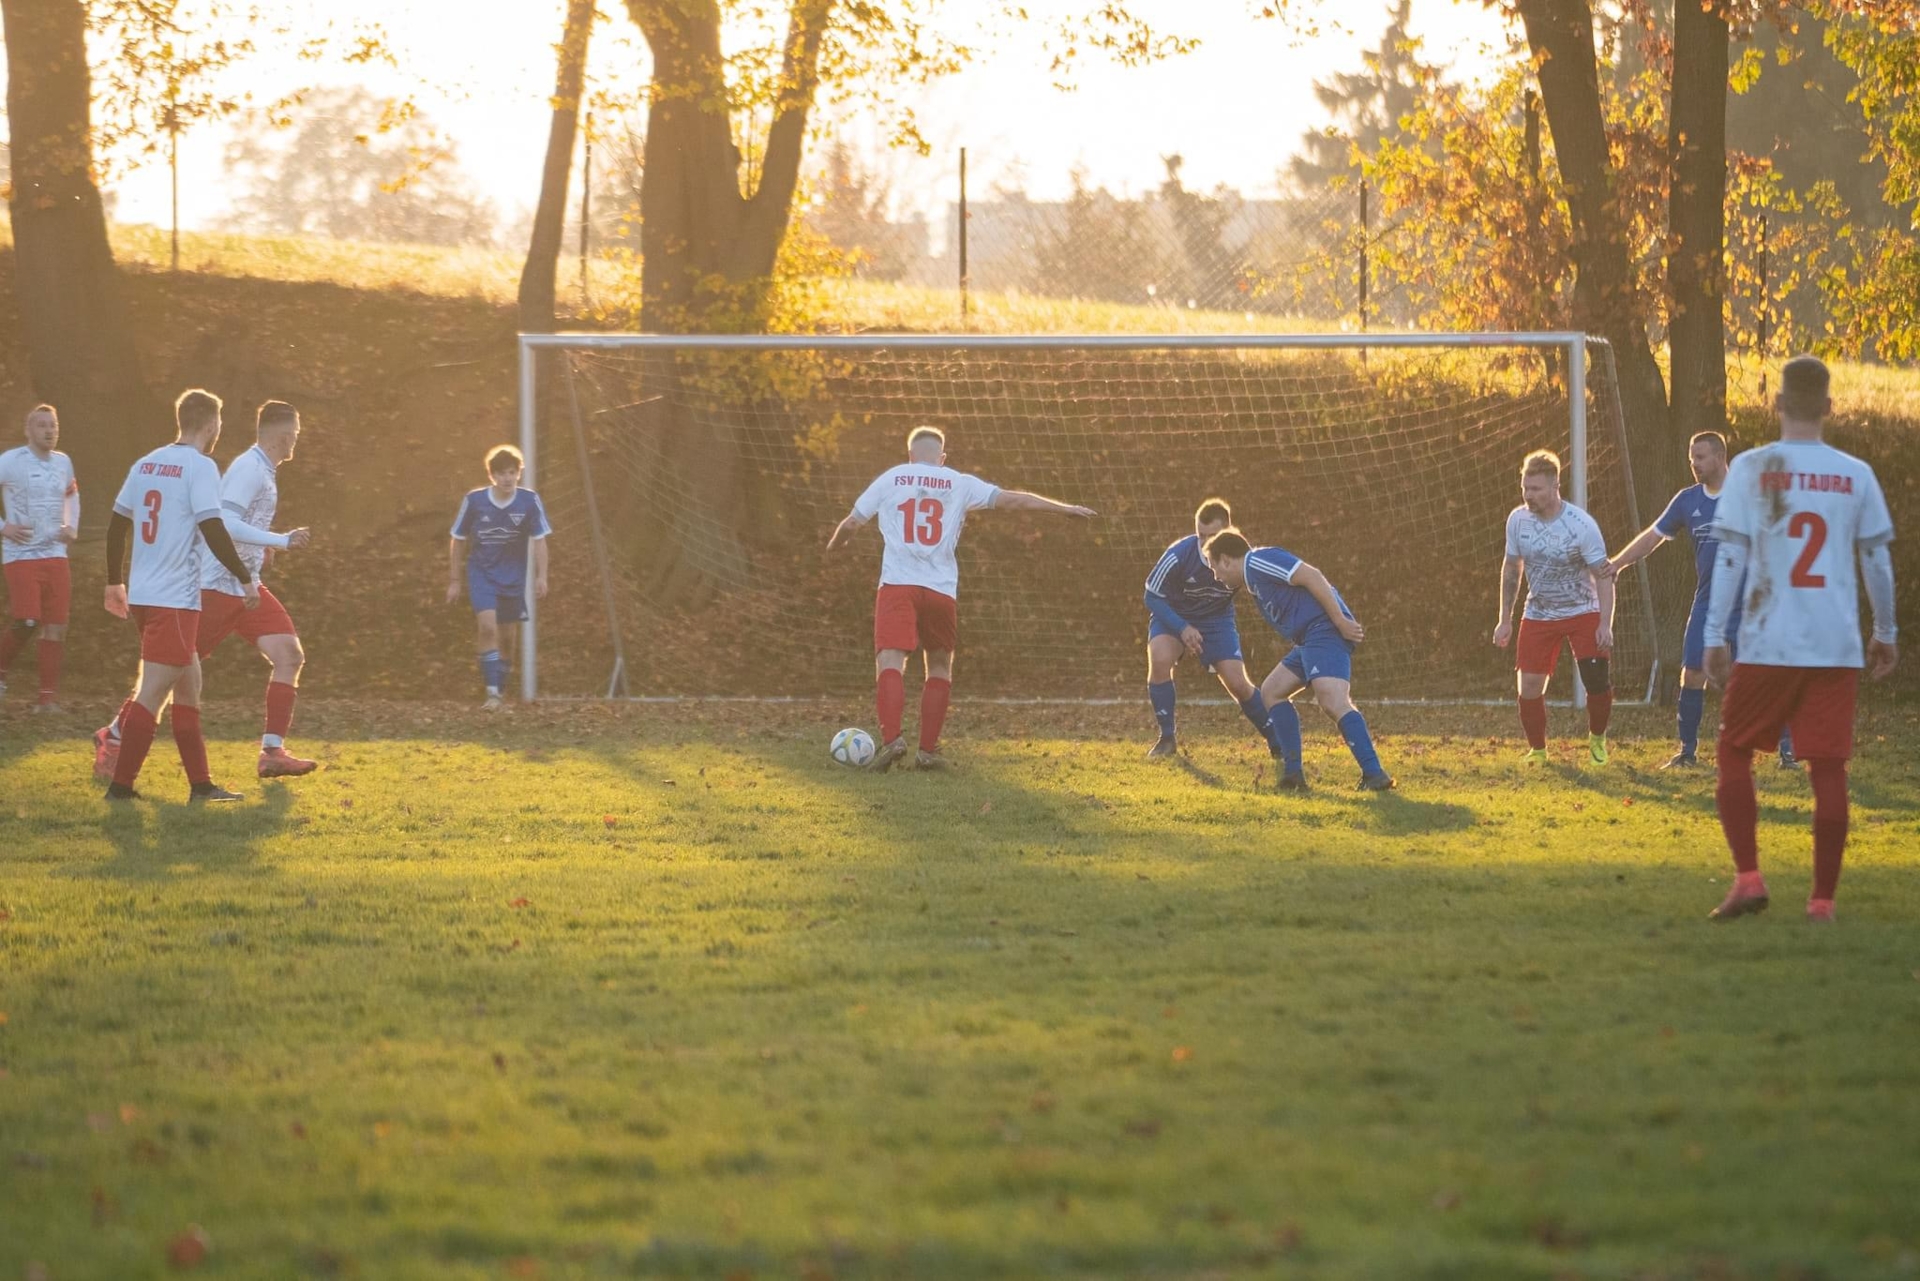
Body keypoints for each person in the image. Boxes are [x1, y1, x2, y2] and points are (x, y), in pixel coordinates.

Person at [1703, 357, 1897, 923]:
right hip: (1835, 643)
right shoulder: (1854, 473)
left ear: (1777, 405)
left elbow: (1732, 554)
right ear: (1830, 408)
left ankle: (1748, 879)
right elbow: (1876, 559)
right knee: (1828, 767)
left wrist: (1716, 633)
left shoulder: (1750, 468)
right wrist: (1885, 631)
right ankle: (1822, 903)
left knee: (1734, 750)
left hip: (1769, 639)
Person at [827, 425, 1095, 773]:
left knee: (890, 661)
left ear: (909, 455)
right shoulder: (959, 482)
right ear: (942, 458)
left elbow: (851, 523)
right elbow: (1014, 500)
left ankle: (893, 740)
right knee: (939, 665)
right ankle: (927, 751)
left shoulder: (892, 477)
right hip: (941, 590)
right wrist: (1064, 509)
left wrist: (833, 548)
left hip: (897, 586)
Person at [101, 389, 260, 802]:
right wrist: (244, 577)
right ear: (211, 424)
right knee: (153, 693)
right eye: (219, 423)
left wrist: (113, 581)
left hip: (146, 595)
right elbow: (212, 527)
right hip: (175, 600)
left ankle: (201, 786)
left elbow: (117, 524)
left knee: (189, 686)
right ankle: (120, 787)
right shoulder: (201, 466)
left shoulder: (146, 462)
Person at [1607, 432, 1794, 770]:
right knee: (1692, 674)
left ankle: (1788, 752)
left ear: (1721, 457)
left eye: (1701, 457)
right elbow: (1653, 536)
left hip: (1751, 603)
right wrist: (1617, 562)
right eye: (1691, 457)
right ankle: (1687, 751)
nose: (1694, 463)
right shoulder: (1687, 500)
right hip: (1708, 603)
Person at [1203, 528, 1393, 791]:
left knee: (1332, 699)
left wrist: (1339, 620)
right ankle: (1293, 776)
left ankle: (1374, 774)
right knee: (1272, 691)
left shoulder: (1258, 560)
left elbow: (1311, 575)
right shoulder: (1253, 580)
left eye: (1215, 567)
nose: (1216, 575)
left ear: (1226, 559)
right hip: (1309, 640)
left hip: (1323, 629)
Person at [1493, 450, 1617, 765]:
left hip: (1583, 610)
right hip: (1540, 611)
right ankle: (1537, 751)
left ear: (1554, 486)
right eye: (1525, 488)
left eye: (1535, 489)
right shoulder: (1517, 519)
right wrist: (1504, 620)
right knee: (1529, 686)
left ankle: (1597, 741)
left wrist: (1605, 623)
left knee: (1595, 680)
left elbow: (1603, 576)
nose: (1528, 495)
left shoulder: (1581, 525)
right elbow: (1512, 567)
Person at [1143, 498, 1283, 760]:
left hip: (1217, 620)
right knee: (1160, 659)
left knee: (1238, 683)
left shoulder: (1244, 556)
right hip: (1175, 616)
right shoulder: (1178, 555)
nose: (1205, 543)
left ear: (1229, 531)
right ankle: (1166, 738)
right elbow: (1151, 596)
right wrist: (1182, 627)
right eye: (1200, 535)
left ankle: (1277, 741)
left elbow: (1263, 590)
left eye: (1213, 536)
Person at [448, 445, 551, 710]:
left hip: (513, 579)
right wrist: (455, 580)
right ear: (492, 476)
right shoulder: (475, 500)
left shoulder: (529, 501)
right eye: (501, 474)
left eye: (512, 473)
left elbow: (539, 541)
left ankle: (500, 687)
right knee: (487, 628)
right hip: (481, 573)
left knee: (507, 639)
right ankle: (492, 693)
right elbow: (457, 540)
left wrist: (542, 576)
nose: (507, 478)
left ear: (519, 473)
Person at [0, 405, 79, 710]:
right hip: (21, 555)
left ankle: (46, 700)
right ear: (28, 430)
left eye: (53, 426)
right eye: (42, 425)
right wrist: (5, 527)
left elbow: (72, 495)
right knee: (28, 620)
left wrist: (71, 526)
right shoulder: (11, 461)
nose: (49, 431)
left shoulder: (63, 462)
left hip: (55, 554)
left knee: (56, 626)